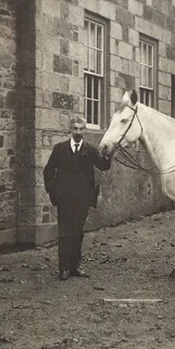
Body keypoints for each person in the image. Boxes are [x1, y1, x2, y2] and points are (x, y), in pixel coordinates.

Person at [43, 116, 112, 281]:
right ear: (70, 129)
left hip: (82, 199)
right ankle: (63, 268)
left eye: (81, 129)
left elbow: (103, 165)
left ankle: (74, 267)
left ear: (85, 130)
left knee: (77, 233)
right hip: (65, 199)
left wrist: (109, 155)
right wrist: (53, 192)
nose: (78, 132)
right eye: (75, 129)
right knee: (65, 233)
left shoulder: (89, 150)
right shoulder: (60, 149)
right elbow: (48, 171)